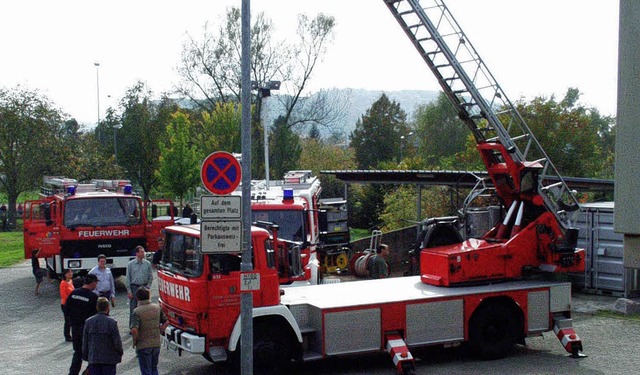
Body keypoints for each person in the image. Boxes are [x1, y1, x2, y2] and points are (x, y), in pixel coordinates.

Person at [65, 274, 99, 375]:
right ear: (92, 283)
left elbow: (66, 309)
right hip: (87, 329)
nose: (96, 285)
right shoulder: (93, 297)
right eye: (96, 282)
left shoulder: (74, 293)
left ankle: (73, 373)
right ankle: (88, 372)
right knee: (91, 353)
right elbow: (96, 315)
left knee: (78, 352)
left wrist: (71, 322)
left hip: (75, 328)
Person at [130, 287, 168, 375]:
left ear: (138, 298)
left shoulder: (136, 311)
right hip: (156, 343)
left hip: (143, 345)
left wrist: (135, 341)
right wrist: (160, 331)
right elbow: (166, 321)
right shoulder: (157, 308)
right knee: (154, 368)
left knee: (146, 370)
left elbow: (134, 330)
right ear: (149, 296)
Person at [82, 297, 123, 375]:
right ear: (108, 307)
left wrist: (86, 355)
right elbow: (117, 341)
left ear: (97, 307)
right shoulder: (112, 322)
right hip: (109, 359)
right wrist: (120, 352)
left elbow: (85, 341)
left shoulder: (88, 322)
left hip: (94, 358)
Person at [126, 245, 153, 327]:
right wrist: (129, 291)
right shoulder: (130, 264)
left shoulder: (147, 264)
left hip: (144, 287)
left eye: (143, 252)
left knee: (145, 307)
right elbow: (128, 278)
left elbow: (150, 277)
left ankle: (144, 325)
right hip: (134, 288)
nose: (143, 253)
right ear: (137, 253)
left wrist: (148, 287)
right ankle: (132, 326)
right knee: (133, 308)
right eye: (141, 252)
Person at [60, 268, 75, 342]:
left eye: (71, 273)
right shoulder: (63, 283)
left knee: (72, 320)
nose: (70, 274)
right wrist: (70, 301)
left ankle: (71, 334)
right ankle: (67, 336)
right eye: (69, 273)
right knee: (68, 320)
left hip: (71, 304)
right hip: (65, 304)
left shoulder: (71, 281)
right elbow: (63, 295)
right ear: (65, 274)